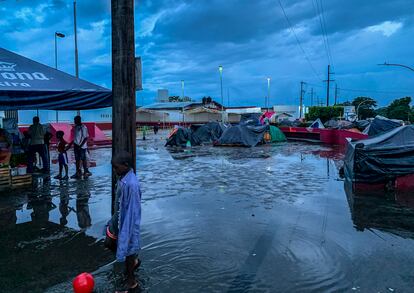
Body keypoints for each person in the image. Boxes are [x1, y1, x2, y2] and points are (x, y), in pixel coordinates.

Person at [105, 151, 141, 292]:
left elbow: (133, 211)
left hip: (126, 222)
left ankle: (131, 283)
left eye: (116, 167)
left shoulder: (131, 185)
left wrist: (125, 231)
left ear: (126, 165)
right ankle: (132, 263)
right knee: (109, 242)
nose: (114, 170)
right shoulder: (123, 178)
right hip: (117, 219)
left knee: (128, 249)